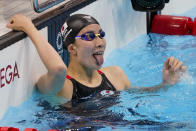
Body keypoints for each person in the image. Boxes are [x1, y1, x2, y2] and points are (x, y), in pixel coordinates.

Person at [6, 14, 187, 100]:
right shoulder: (64, 87)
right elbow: (58, 68)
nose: (100, 42)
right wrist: (29, 27)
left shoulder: (115, 74)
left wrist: (165, 84)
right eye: (89, 37)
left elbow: (139, 96)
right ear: (72, 48)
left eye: (101, 34)